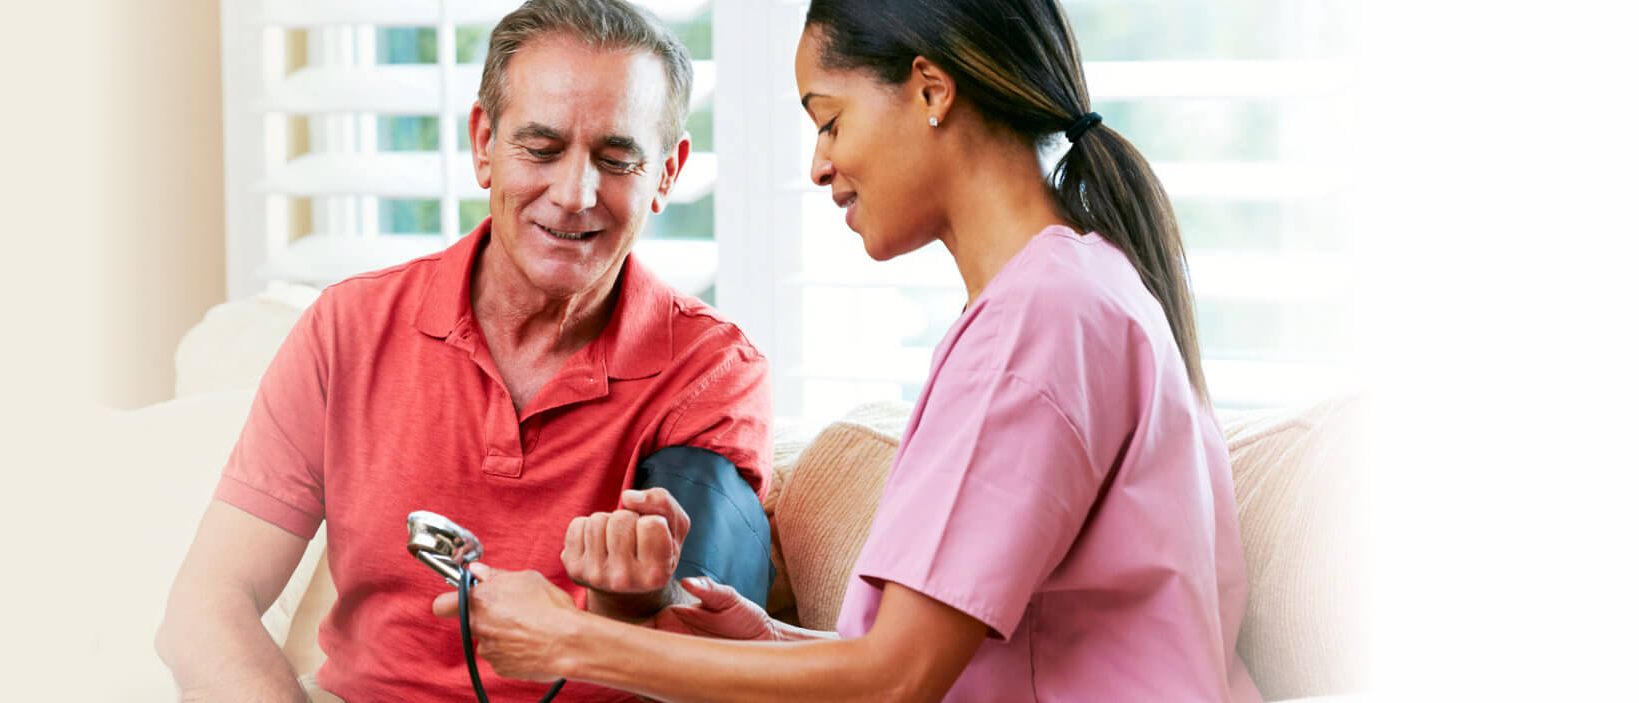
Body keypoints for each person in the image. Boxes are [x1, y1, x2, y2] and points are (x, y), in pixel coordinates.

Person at [434, 0, 1265, 700]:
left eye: (830, 120)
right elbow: (936, 658)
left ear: (930, 90)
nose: (820, 163)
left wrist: (572, 641)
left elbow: (896, 680)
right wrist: (767, 642)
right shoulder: (1073, 289)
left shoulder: (1042, 319)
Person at [155, 2, 776, 701]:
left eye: (617, 158)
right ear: (484, 143)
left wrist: (627, 609)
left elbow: (721, 668)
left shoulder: (711, 371)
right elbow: (205, 608)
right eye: (540, 149)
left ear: (667, 173)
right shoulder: (349, 328)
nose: (574, 195)